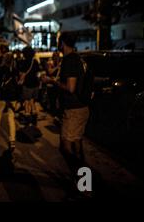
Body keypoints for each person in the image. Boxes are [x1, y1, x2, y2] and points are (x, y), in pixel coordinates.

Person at [42, 32, 90, 187]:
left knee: (65, 147)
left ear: (62, 43)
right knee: (76, 144)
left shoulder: (70, 60)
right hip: (81, 107)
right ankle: (84, 184)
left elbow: (70, 88)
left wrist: (51, 81)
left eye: (58, 42)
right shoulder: (78, 58)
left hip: (73, 109)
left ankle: (82, 179)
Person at [0, 52, 19, 151]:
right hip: (13, 96)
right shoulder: (14, 70)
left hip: (3, 95)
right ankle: (12, 141)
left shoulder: (0, 69)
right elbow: (17, 83)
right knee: (11, 118)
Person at [18, 46, 40, 126]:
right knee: (33, 101)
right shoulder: (35, 62)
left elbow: (21, 74)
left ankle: (27, 118)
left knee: (27, 101)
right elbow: (38, 73)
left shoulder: (23, 62)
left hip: (27, 84)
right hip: (35, 84)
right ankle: (34, 119)